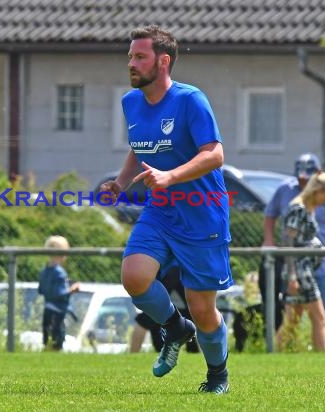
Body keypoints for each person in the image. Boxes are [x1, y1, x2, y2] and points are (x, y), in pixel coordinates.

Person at [100, 25, 232, 394]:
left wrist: (171, 176)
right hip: (160, 209)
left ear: (164, 61)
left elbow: (215, 154)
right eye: (130, 56)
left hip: (202, 212)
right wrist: (121, 183)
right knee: (134, 276)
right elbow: (140, 147)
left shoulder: (191, 100)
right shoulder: (131, 102)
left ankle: (217, 375)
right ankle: (174, 327)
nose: (131, 63)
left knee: (203, 308)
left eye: (139, 56)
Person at [262, 153, 325, 351]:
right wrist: (292, 276)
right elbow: (288, 241)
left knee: (292, 320)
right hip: (301, 272)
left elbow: (311, 241)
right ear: (317, 190)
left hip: (305, 269)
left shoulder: (309, 209)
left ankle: (274, 356)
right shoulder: (298, 209)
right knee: (320, 318)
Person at [130, 263, 200, 354]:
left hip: (174, 269)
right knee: (148, 316)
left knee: (192, 314)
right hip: (170, 268)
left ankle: (195, 352)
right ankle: (134, 354)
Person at [37, 235, 80, 351]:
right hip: (58, 311)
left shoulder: (44, 272)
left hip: (47, 308)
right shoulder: (60, 273)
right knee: (57, 339)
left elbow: (41, 290)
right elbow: (60, 293)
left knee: (47, 338)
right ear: (63, 254)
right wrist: (73, 289)